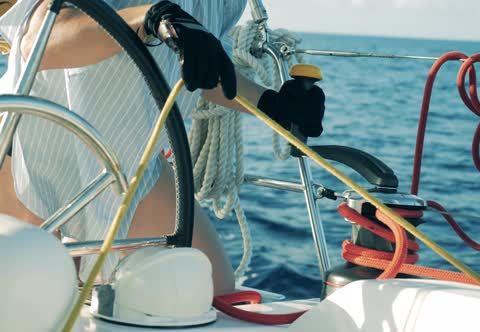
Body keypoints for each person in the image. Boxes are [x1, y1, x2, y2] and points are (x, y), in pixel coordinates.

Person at [0, 0, 324, 295]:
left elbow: (201, 69)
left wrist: (271, 103)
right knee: (35, 296)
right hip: (31, 150)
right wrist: (150, 16)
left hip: (129, 163)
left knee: (211, 293)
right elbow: (39, 40)